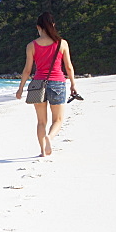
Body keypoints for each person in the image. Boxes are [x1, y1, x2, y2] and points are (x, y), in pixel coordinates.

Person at [15, 12, 79, 156]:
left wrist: (20, 89)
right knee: (58, 119)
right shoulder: (62, 43)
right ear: (53, 25)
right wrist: (73, 84)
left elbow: (27, 70)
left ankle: (43, 151)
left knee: (41, 121)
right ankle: (50, 137)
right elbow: (68, 66)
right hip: (57, 83)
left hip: (38, 84)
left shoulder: (31, 45)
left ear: (38, 27)